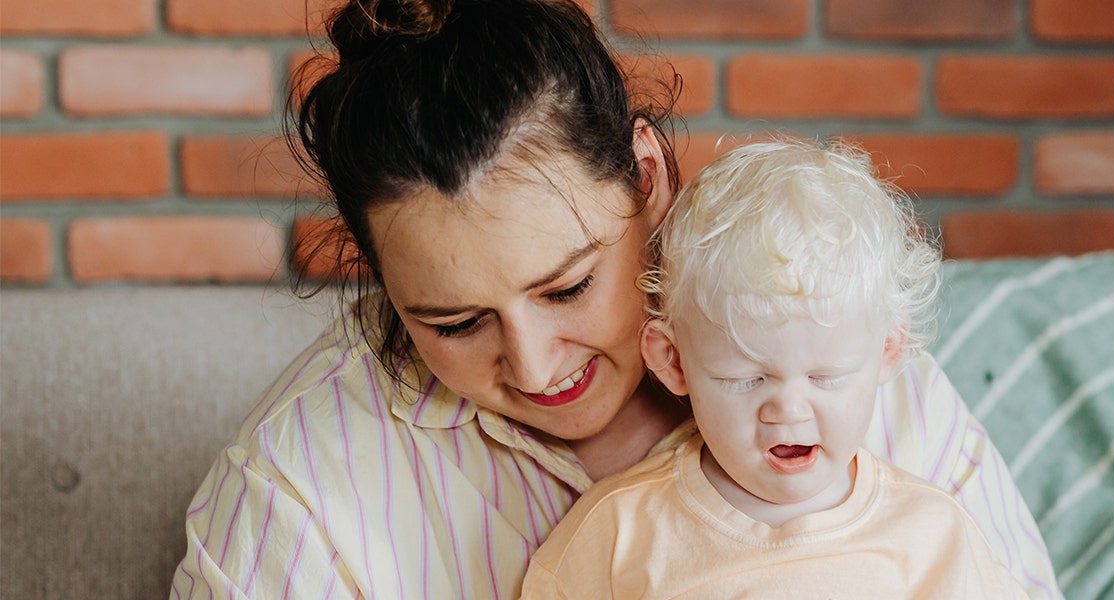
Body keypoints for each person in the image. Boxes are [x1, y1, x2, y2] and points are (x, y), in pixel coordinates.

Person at [169, 0, 1061, 598]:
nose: (535, 363)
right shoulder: (299, 496)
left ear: (645, 176)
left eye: (568, 286)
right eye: (453, 320)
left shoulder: (828, 357)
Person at [520, 139, 1029, 599]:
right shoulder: (620, 531)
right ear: (672, 361)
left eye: (826, 376)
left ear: (887, 354)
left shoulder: (931, 533)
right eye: (744, 378)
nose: (787, 409)